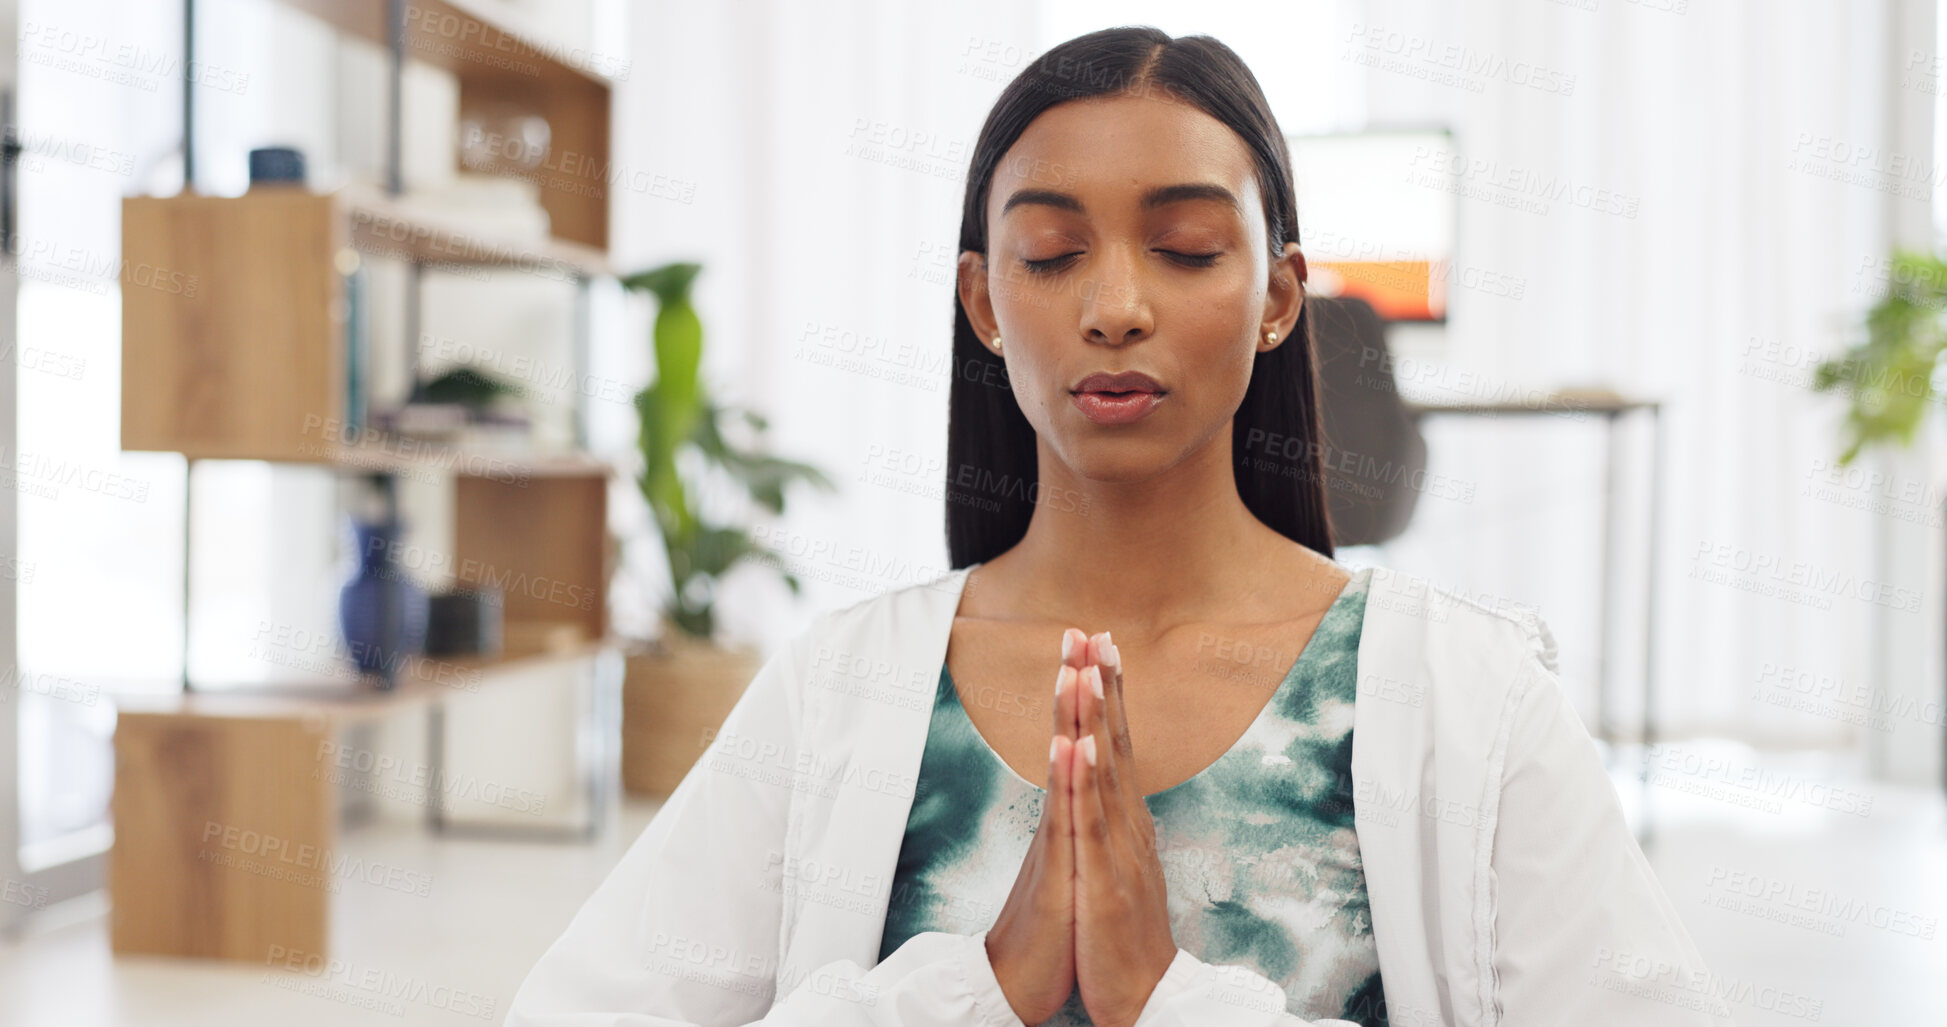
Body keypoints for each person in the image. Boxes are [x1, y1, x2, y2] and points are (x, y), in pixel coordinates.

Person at [505, 25, 1728, 1027]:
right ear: (985, 300)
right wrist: (975, 992)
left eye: (1187, 248)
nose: (1116, 306)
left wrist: (1173, 1000)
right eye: (1051, 253)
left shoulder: (1470, 695)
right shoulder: (845, 686)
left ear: (1277, 297)